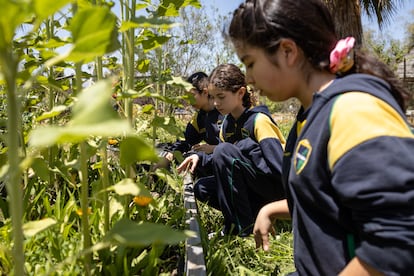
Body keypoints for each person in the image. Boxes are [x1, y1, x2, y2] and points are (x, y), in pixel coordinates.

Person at [228, 0, 414, 275]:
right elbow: (325, 195)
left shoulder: (354, 111)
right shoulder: (309, 116)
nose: (249, 78)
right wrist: (271, 209)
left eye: (251, 63)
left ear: (288, 51)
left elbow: (400, 238)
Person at [177, 64, 286, 237]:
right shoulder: (226, 125)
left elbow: (281, 169)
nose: (216, 103)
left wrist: (291, 205)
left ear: (240, 93)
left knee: (223, 150)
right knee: (202, 188)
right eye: (212, 97)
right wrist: (200, 157)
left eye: (221, 97)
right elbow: (224, 162)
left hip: (274, 189)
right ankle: (248, 216)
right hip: (252, 187)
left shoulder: (259, 121)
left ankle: (242, 229)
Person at [158, 71, 223, 173]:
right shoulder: (199, 118)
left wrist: (214, 148)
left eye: (191, 96)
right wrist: (171, 153)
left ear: (205, 92)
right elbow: (186, 139)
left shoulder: (225, 112)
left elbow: (239, 146)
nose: (188, 101)